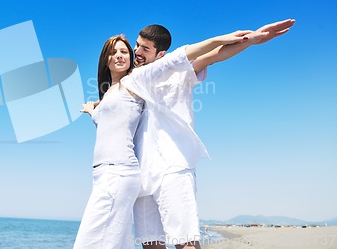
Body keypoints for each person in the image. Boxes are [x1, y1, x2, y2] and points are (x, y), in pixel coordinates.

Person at [122, 19, 295, 249]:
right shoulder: (132, 80)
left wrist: (250, 41)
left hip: (173, 166)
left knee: (185, 242)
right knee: (150, 244)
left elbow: (213, 55)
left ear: (161, 53)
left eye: (145, 48)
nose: (137, 52)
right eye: (137, 45)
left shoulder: (178, 71)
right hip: (142, 174)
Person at [73, 34, 143, 249]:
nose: (119, 56)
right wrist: (92, 110)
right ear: (106, 60)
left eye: (124, 52)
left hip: (118, 172)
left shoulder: (134, 82)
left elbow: (176, 60)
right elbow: (108, 121)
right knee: (119, 244)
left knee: (87, 243)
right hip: (104, 174)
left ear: (131, 57)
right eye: (113, 53)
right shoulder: (109, 94)